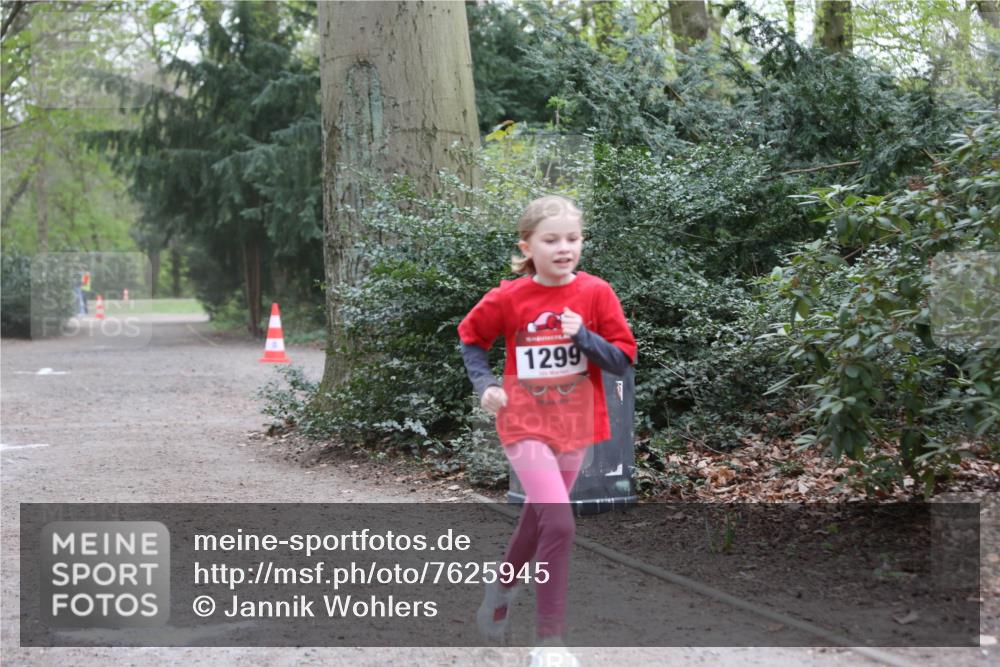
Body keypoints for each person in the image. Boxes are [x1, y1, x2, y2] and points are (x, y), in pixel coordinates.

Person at [458, 195, 637, 667]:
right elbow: (471, 338)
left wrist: (585, 336)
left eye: (573, 239)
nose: (564, 248)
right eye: (551, 239)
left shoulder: (597, 293)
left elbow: (621, 358)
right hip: (523, 422)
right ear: (527, 246)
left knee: (538, 518)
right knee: (559, 521)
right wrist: (487, 384)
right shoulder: (510, 297)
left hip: (575, 423)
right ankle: (549, 642)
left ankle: (499, 591)